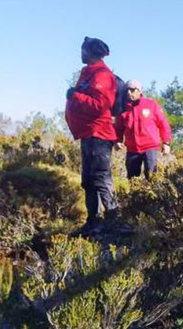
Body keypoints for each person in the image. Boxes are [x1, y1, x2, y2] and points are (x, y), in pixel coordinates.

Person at [65, 37, 123, 236]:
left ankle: (115, 220)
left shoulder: (102, 75)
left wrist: (75, 96)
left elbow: (100, 105)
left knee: (100, 177)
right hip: (88, 134)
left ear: (90, 52)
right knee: (88, 179)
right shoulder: (89, 72)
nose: (80, 53)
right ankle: (93, 222)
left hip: (99, 134)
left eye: (83, 50)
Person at [115, 80, 172, 179]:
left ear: (139, 91)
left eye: (132, 90)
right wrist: (117, 141)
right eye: (127, 90)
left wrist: (166, 143)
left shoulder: (151, 105)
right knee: (132, 180)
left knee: (152, 178)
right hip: (132, 150)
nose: (129, 92)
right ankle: (135, 195)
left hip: (149, 148)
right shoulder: (124, 109)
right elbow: (118, 128)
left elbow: (163, 124)